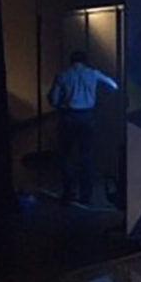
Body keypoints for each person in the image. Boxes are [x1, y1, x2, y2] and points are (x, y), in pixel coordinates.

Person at [47, 51, 118, 204]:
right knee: (86, 156)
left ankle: (69, 193)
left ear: (71, 61)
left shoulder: (63, 75)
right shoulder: (93, 73)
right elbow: (113, 85)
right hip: (88, 116)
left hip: (69, 117)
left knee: (67, 156)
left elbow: (54, 100)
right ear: (85, 61)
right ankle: (86, 195)